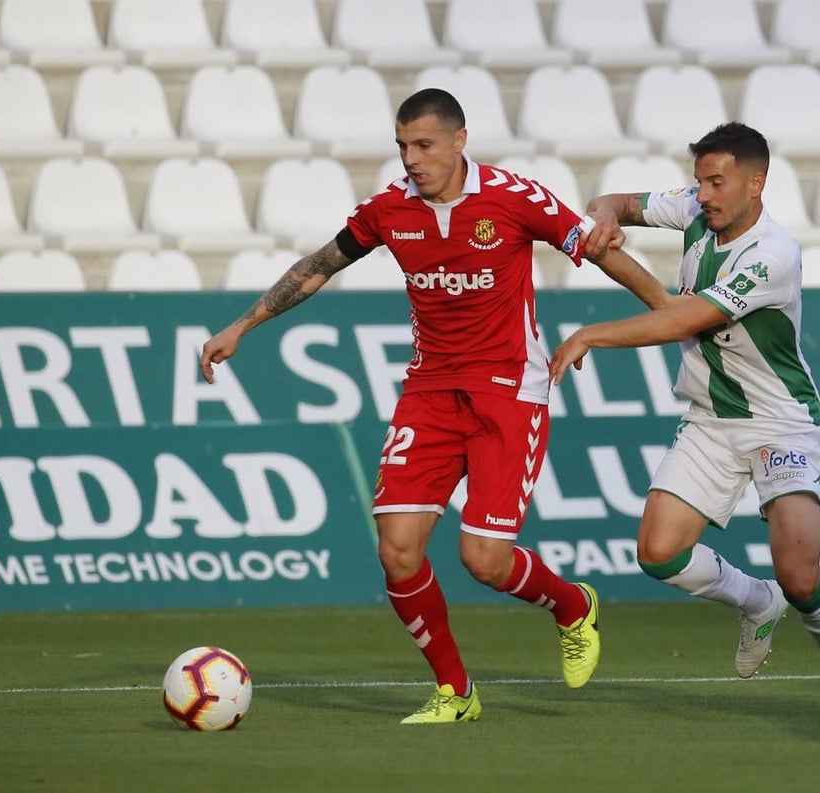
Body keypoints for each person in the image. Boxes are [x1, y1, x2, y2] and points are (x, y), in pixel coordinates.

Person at [201, 88, 668, 724]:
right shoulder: (390, 209)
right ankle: (456, 692)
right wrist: (242, 326)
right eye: (402, 146)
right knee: (396, 549)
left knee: (484, 561)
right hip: (429, 392)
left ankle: (571, 606)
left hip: (509, 392)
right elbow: (319, 265)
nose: (411, 158)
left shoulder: (513, 197)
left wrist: (673, 313)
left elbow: (602, 250)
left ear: (458, 139)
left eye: (423, 144)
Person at [550, 121, 820, 714]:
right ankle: (756, 602)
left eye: (716, 181)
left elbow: (680, 320)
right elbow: (616, 204)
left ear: (757, 183)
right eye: (700, 180)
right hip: (709, 419)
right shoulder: (697, 208)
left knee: (801, 578)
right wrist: (600, 217)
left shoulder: (772, 254)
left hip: (780, 423)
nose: (703, 193)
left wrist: (590, 334)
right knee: (658, 553)